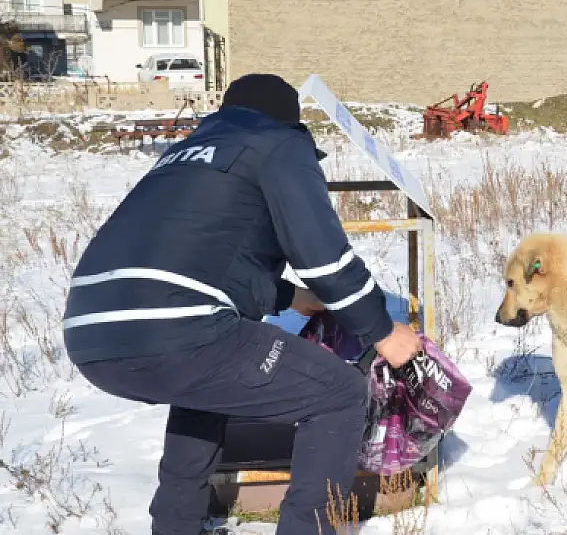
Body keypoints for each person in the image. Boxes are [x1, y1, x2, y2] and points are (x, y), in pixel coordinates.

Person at [62, 73, 424, 535]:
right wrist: (383, 330)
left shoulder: (184, 156)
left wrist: (293, 297)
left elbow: (206, 260)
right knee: (339, 394)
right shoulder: (277, 143)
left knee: (204, 388)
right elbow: (323, 257)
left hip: (92, 337)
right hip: (178, 329)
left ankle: (176, 526)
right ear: (288, 120)